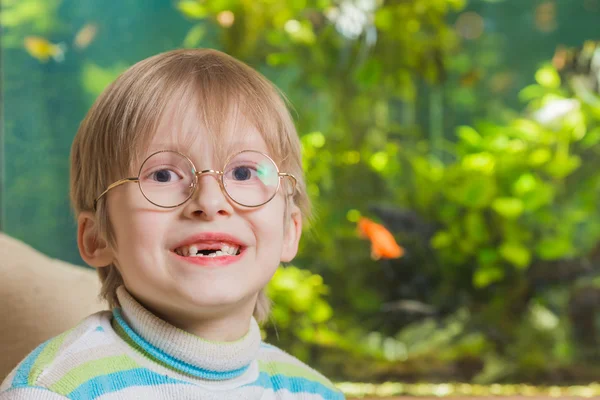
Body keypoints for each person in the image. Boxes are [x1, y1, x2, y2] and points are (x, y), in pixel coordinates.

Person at [0, 48, 345, 400]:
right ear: (98, 238)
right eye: (163, 175)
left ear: (290, 230)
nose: (210, 203)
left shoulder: (316, 394)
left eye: (243, 172)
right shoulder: (52, 390)